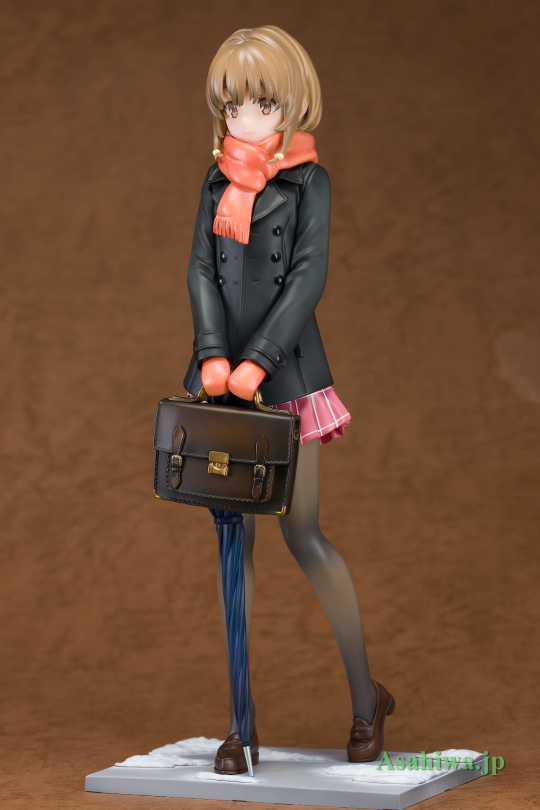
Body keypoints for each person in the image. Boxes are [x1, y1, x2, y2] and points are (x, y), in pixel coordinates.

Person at [182, 25, 395, 775]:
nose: (245, 117)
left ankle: (366, 699)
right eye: (232, 104)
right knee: (230, 545)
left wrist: (260, 361)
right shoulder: (215, 183)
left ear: (292, 105)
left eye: (262, 103)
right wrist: (213, 352)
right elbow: (200, 271)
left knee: (302, 534)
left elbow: (307, 278)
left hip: (287, 381)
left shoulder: (310, 183)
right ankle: (239, 727)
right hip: (221, 384)